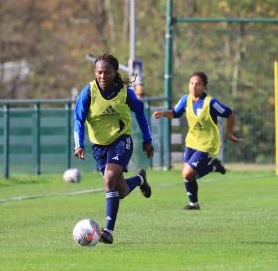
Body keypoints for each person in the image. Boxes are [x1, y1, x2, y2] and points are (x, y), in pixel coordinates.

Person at [74, 53, 154, 244]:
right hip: (99, 146)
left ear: (115, 72)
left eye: (107, 72)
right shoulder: (88, 92)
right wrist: (78, 144)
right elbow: (78, 119)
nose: (102, 76)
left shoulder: (125, 93)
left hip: (121, 140)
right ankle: (140, 179)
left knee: (109, 179)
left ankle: (108, 231)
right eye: (99, 72)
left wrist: (147, 139)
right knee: (120, 191)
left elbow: (140, 113)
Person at [153, 72, 241, 210]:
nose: (194, 86)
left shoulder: (210, 102)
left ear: (204, 86)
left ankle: (212, 167)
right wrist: (163, 113)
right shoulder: (185, 100)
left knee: (187, 173)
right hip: (192, 142)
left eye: (198, 84)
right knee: (187, 174)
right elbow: (175, 113)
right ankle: (194, 203)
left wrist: (229, 134)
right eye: (191, 83)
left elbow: (230, 114)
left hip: (207, 144)